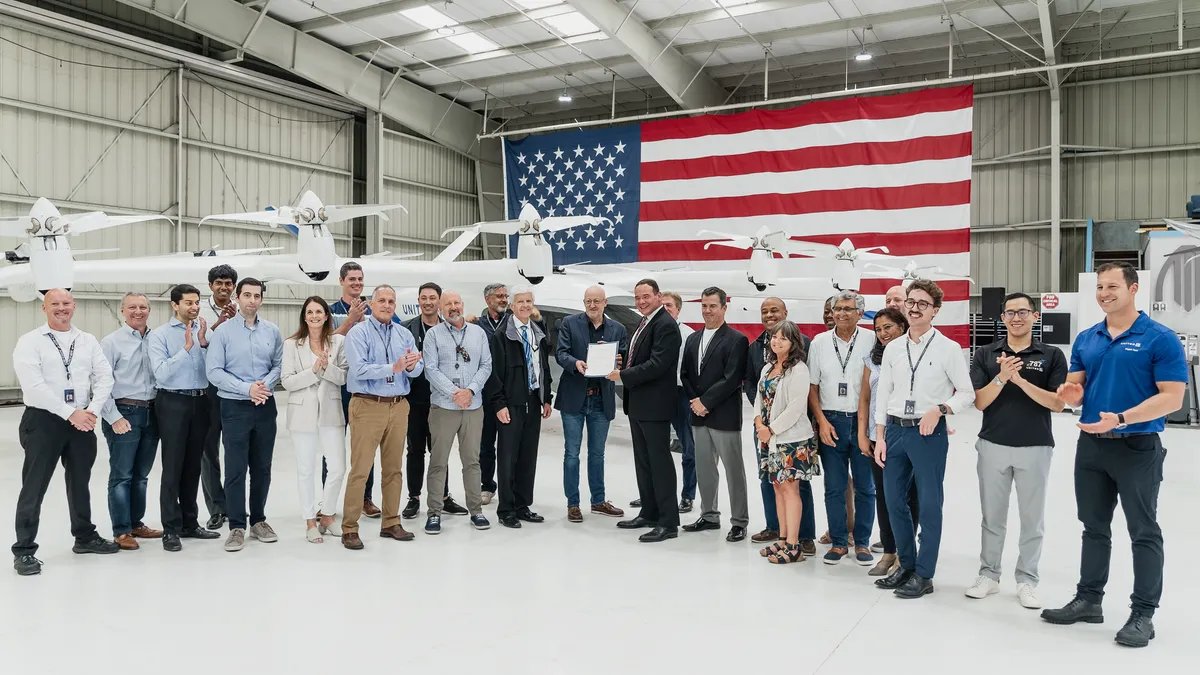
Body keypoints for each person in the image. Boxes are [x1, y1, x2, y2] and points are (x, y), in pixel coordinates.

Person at [1041, 262, 1187, 649]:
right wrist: (1070, 395)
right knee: (1093, 526)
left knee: (1143, 530)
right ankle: (1089, 599)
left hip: (1137, 447)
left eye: (1112, 286)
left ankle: (1143, 614)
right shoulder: (1089, 337)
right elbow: (1075, 386)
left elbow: (1172, 398)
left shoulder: (1160, 338)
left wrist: (1122, 418)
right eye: (1100, 287)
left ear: (1133, 288)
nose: (1104, 293)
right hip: (1091, 446)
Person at [873, 280, 975, 599]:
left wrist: (941, 409)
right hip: (894, 431)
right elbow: (884, 393)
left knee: (930, 504)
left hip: (927, 432)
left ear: (935, 311)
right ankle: (906, 564)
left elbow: (967, 394)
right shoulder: (893, 347)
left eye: (922, 303)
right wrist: (879, 436)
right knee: (893, 501)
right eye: (911, 302)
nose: (915, 307)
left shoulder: (948, 350)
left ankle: (925, 574)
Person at [966, 292, 1068, 609]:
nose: (1017, 317)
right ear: (1003, 318)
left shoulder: (1051, 356)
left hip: (1035, 447)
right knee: (992, 518)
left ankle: (1026, 580)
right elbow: (980, 401)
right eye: (1010, 313)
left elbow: (1057, 403)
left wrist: (1020, 380)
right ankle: (989, 575)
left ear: (1035, 317)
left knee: (1032, 520)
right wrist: (1002, 377)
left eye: (1023, 312)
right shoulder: (986, 354)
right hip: (993, 445)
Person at [11, 289, 120, 575]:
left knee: (80, 481)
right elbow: (34, 386)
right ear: (44, 307)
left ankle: (84, 536)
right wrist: (71, 413)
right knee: (34, 485)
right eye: (55, 304)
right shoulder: (30, 342)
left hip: (82, 420)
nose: (62, 308)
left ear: (74, 306)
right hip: (44, 421)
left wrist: (91, 411)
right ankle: (24, 550)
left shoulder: (87, 341)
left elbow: (105, 376)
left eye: (66, 303)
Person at [341, 285, 423, 549]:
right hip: (367, 406)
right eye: (382, 301)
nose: (387, 305)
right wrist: (394, 367)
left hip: (398, 406)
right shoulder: (358, 332)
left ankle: (391, 522)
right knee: (361, 470)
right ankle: (350, 528)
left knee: (393, 470)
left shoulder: (403, 333)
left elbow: (417, 368)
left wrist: (412, 365)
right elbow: (360, 369)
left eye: (391, 301)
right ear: (371, 304)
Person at [206, 278, 283, 553]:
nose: (252, 300)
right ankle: (237, 525)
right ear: (237, 298)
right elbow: (214, 372)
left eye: (257, 296)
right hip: (235, 407)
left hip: (264, 406)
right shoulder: (224, 333)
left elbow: (277, 365)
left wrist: (263, 387)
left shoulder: (272, 332)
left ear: (262, 299)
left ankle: (258, 520)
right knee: (236, 469)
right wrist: (246, 388)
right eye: (247, 295)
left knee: (262, 468)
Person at [149, 284, 221, 552]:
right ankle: (170, 528)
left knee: (193, 465)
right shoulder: (160, 336)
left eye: (196, 302)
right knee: (173, 467)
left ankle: (190, 523)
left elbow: (213, 367)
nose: (194, 307)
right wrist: (187, 348)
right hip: (173, 401)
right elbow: (161, 374)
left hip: (201, 401)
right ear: (174, 305)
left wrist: (203, 342)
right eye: (188, 302)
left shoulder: (205, 331)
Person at [808, 291, 877, 566]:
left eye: (848, 309)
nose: (842, 313)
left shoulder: (871, 340)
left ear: (860, 313)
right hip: (831, 422)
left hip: (862, 422)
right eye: (837, 308)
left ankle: (861, 542)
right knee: (834, 486)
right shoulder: (820, 342)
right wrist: (821, 421)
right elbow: (812, 387)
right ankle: (838, 542)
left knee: (865, 487)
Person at [610, 279, 682, 543]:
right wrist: (624, 358)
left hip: (655, 404)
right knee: (644, 462)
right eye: (637, 297)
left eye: (646, 297)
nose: (641, 302)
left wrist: (623, 373)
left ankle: (668, 522)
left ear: (658, 296)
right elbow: (642, 355)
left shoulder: (665, 324)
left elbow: (658, 364)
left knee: (660, 463)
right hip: (639, 404)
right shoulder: (645, 322)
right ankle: (649, 512)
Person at [744, 297, 816, 555]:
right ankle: (783, 538)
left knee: (791, 488)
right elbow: (757, 399)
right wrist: (757, 422)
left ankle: (795, 544)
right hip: (768, 437)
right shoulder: (767, 368)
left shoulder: (798, 370)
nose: (776, 342)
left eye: (782, 339)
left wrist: (770, 429)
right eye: (774, 338)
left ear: (793, 343)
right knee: (777, 486)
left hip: (791, 439)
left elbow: (796, 408)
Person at [680, 287, 751, 542]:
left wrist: (706, 402)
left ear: (724, 307)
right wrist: (695, 402)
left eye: (712, 306)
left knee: (733, 471)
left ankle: (739, 521)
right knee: (704, 469)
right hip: (698, 415)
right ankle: (709, 515)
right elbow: (685, 375)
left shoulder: (736, 339)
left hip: (723, 416)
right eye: (704, 306)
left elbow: (732, 378)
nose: (707, 311)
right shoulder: (692, 339)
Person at [421, 290, 493, 534]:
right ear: (440, 308)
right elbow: (430, 369)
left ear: (463, 305)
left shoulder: (478, 333)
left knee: (472, 461)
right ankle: (433, 513)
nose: (453, 307)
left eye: (456, 303)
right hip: (444, 407)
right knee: (438, 462)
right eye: (448, 304)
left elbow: (486, 365)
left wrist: (470, 391)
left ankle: (476, 511)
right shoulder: (433, 335)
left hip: (473, 407)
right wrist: (455, 393)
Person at [554, 286, 627, 522]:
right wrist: (575, 363)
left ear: (605, 303)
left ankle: (598, 500)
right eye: (588, 301)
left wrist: (618, 360)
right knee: (571, 454)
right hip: (574, 397)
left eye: (596, 301)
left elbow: (624, 358)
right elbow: (561, 353)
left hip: (600, 398)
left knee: (597, 454)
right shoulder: (569, 323)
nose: (592, 305)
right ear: (584, 303)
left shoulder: (618, 329)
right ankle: (572, 504)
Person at [858, 307, 920, 576]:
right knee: (883, 496)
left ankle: (907, 556)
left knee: (910, 497)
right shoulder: (872, 360)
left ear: (903, 326)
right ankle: (889, 552)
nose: (882, 333)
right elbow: (865, 399)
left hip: (907, 435)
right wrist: (863, 434)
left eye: (888, 327)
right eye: (878, 329)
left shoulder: (914, 354)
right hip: (877, 437)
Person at [281, 296, 348, 543]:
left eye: (319, 311)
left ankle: (328, 515)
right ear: (304, 316)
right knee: (306, 469)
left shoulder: (339, 342)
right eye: (309, 312)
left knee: (338, 467)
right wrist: (313, 371)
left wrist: (326, 367)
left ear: (327, 315)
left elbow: (343, 377)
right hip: (302, 413)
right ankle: (310, 520)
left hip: (331, 411)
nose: (314, 316)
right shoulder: (292, 344)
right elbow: (287, 381)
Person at [99, 292, 163, 551]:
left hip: (153, 411)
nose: (138, 311)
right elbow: (100, 384)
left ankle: (136, 523)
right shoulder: (111, 343)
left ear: (149, 310)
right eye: (133, 307)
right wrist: (114, 417)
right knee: (122, 475)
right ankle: (122, 530)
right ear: (122, 311)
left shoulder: (156, 339)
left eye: (143, 307)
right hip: (124, 411)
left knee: (141, 475)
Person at [486, 285, 553, 529]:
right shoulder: (503, 334)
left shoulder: (538, 331)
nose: (525, 305)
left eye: (528, 301)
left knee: (527, 456)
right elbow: (494, 374)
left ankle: (523, 505)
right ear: (512, 306)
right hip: (511, 404)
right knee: (507, 457)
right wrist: (499, 404)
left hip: (533, 401)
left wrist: (546, 398)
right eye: (520, 302)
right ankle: (506, 510)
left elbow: (543, 366)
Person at [401, 283, 467, 519]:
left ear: (439, 302)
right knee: (415, 450)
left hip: (443, 400)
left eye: (432, 298)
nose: (428, 302)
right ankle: (414, 497)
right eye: (423, 298)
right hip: (415, 402)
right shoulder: (406, 329)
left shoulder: (451, 329)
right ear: (418, 300)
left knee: (440, 451)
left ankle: (444, 496)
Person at [328, 261, 381, 518]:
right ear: (341, 281)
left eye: (360, 279)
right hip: (338, 387)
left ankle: (365, 498)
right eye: (352, 279)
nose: (357, 283)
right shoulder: (329, 311)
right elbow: (325, 343)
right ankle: (328, 501)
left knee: (365, 446)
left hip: (364, 387)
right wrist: (351, 321)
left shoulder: (374, 311)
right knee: (334, 446)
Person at [197, 264, 237, 530]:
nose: (224, 288)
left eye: (228, 284)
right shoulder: (197, 310)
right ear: (210, 285)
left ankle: (234, 506)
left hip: (233, 387)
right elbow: (195, 341)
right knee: (208, 450)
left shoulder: (242, 308)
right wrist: (221, 322)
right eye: (219, 283)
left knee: (235, 449)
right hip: (206, 388)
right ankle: (216, 508)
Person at [659, 290, 695, 513]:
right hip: (657, 395)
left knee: (689, 448)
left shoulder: (689, 335)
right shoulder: (649, 331)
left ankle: (687, 495)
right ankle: (654, 494)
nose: (665, 309)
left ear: (678, 309)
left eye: (669, 305)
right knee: (655, 448)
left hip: (682, 395)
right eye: (661, 305)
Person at [474, 282, 509, 504]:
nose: (504, 299)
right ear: (488, 300)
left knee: (509, 444)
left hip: (508, 394)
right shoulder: (477, 326)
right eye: (499, 296)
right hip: (485, 394)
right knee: (485, 444)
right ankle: (487, 485)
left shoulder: (515, 322)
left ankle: (509, 485)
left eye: (505, 296)